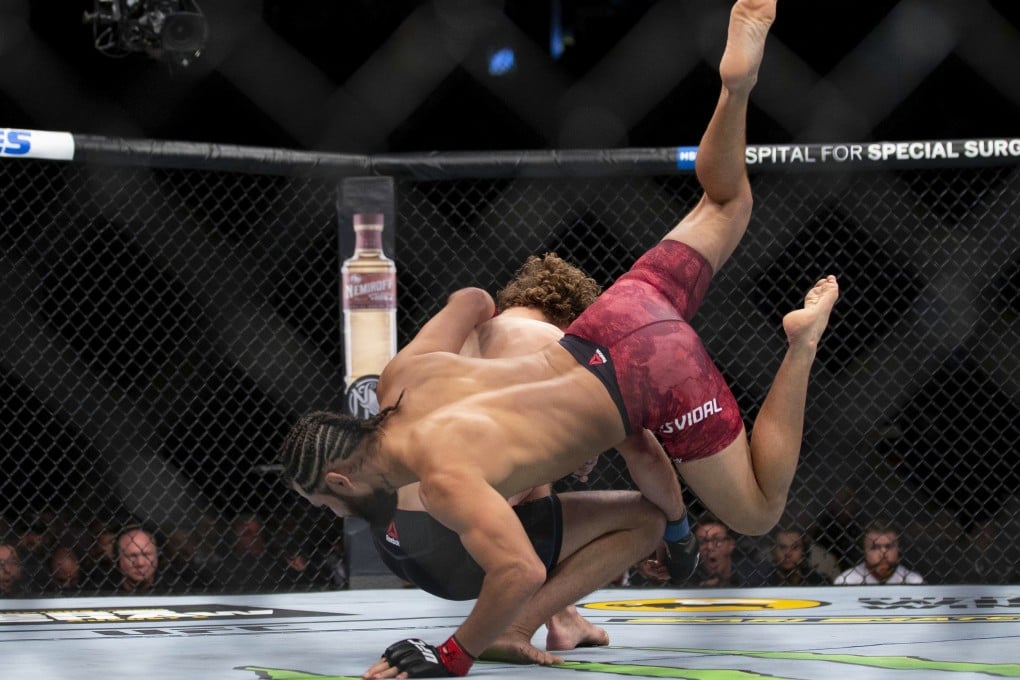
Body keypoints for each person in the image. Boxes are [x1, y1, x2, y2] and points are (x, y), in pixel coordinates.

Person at [281, 0, 840, 675]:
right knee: (727, 204)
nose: (331, 512)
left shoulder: (442, 482)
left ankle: (801, 346)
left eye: (324, 502)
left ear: (340, 478)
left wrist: (451, 656)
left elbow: (516, 569)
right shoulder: (406, 376)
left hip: (652, 375)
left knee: (756, 511)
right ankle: (736, 87)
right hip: (615, 313)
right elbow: (471, 299)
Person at [371, 252, 687, 658]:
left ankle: (564, 617)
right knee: (649, 519)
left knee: (529, 454)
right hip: (459, 550)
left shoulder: (453, 339)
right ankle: (515, 627)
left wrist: (569, 450)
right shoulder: (561, 349)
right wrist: (678, 534)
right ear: (577, 319)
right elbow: (644, 453)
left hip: (391, 540)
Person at [833, 519, 925, 585]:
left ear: (899, 549)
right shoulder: (847, 582)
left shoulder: (913, 582)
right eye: (875, 547)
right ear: (864, 551)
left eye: (889, 546)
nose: (883, 554)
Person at [746, 525, 829, 586]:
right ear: (773, 551)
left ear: (803, 551)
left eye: (795, 547)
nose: (788, 554)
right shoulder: (758, 581)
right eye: (782, 547)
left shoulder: (817, 582)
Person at [113, 525, 163, 594]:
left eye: (146, 555)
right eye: (132, 556)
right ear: (118, 559)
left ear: (157, 556)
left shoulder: (177, 589)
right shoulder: (101, 591)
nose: (140, 563)